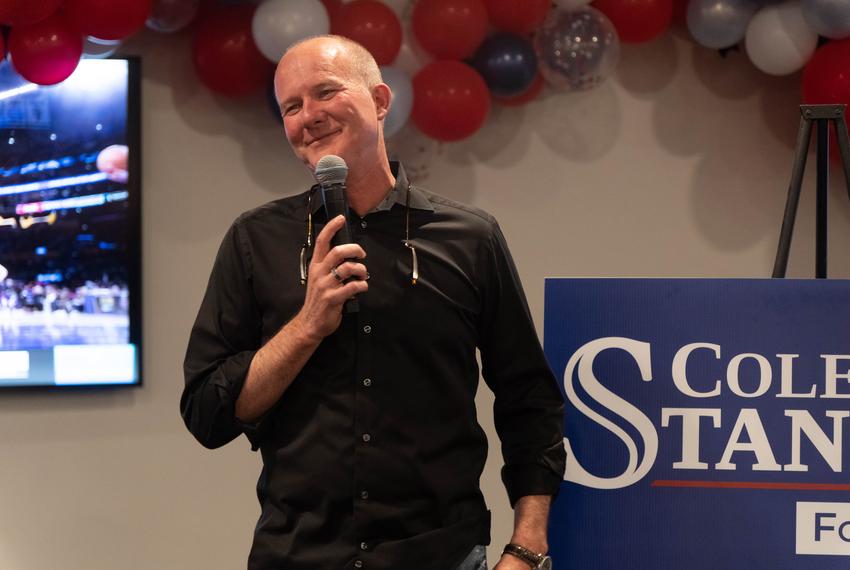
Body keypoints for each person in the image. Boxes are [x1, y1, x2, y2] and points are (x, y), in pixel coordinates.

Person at [181, 35, 565, 570]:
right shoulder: (255, 240)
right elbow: (207, 414)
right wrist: (307, 326)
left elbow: (529, 400)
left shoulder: (469, 238)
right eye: (291, 106)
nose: (308, 116)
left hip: (440, 554)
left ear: (381, 101)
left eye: (325, 92)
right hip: (298, 556)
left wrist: (527, 547)